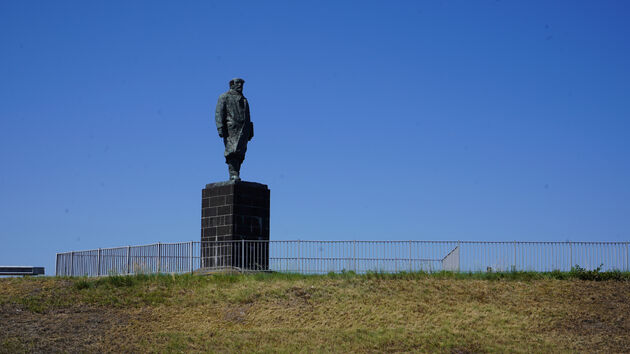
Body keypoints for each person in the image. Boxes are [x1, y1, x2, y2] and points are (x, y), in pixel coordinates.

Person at [214, 78, 254, 181]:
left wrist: (250, 130)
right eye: (238, 83)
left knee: (240, 152)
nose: (240, 86)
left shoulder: (245, 100)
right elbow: (219, 112)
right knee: (231, 151)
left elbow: (248, 116)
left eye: (242, 84)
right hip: (231, 129)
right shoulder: (224, 97)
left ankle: (237, 172)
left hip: (243, 129)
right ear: (232, 85)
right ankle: (233, 173)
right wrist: (220, 127)